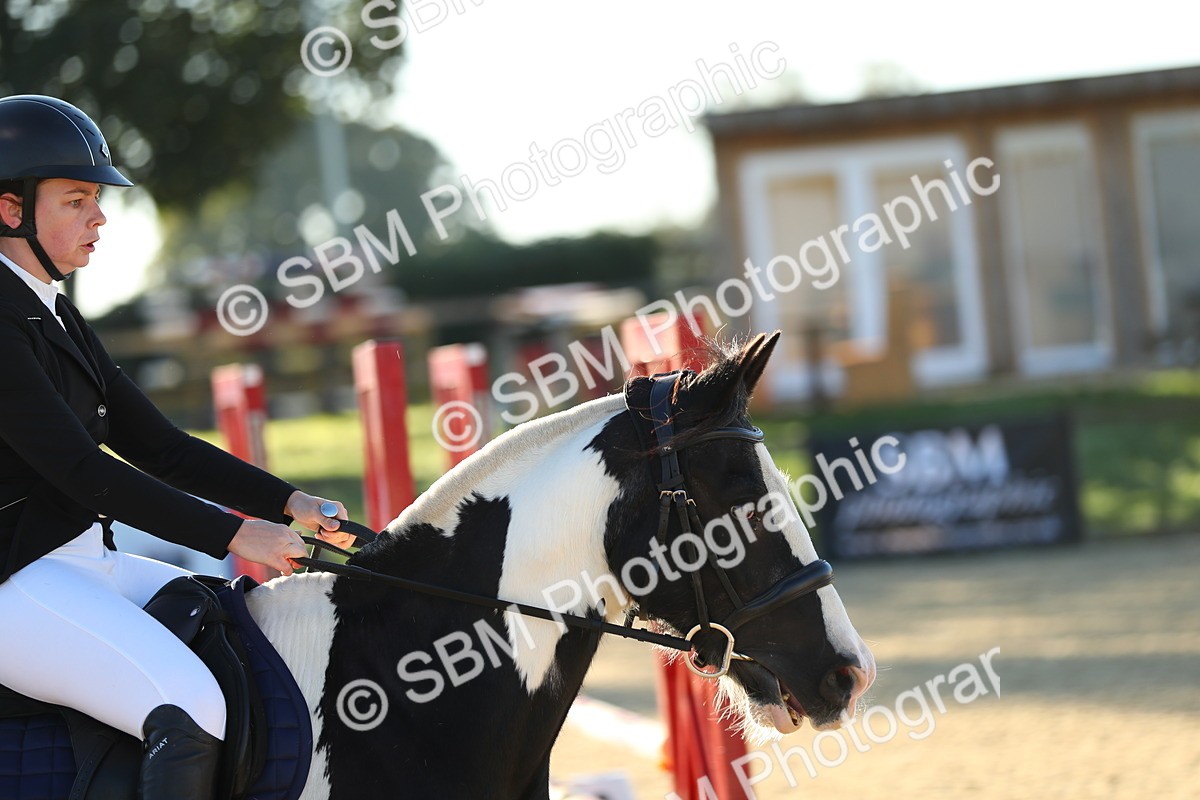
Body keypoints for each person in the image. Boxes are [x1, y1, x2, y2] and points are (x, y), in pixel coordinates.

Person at [0, 94, 356, 800]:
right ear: (10, 210)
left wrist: (288, 502)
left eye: (96, 200)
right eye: (75, 200)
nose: (99, 217)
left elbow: (159, 446)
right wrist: (234, 533)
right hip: (15, 583)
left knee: (244, 633)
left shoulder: (55, 311)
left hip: (80, 563)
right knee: (191, 709)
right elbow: (83, 472)